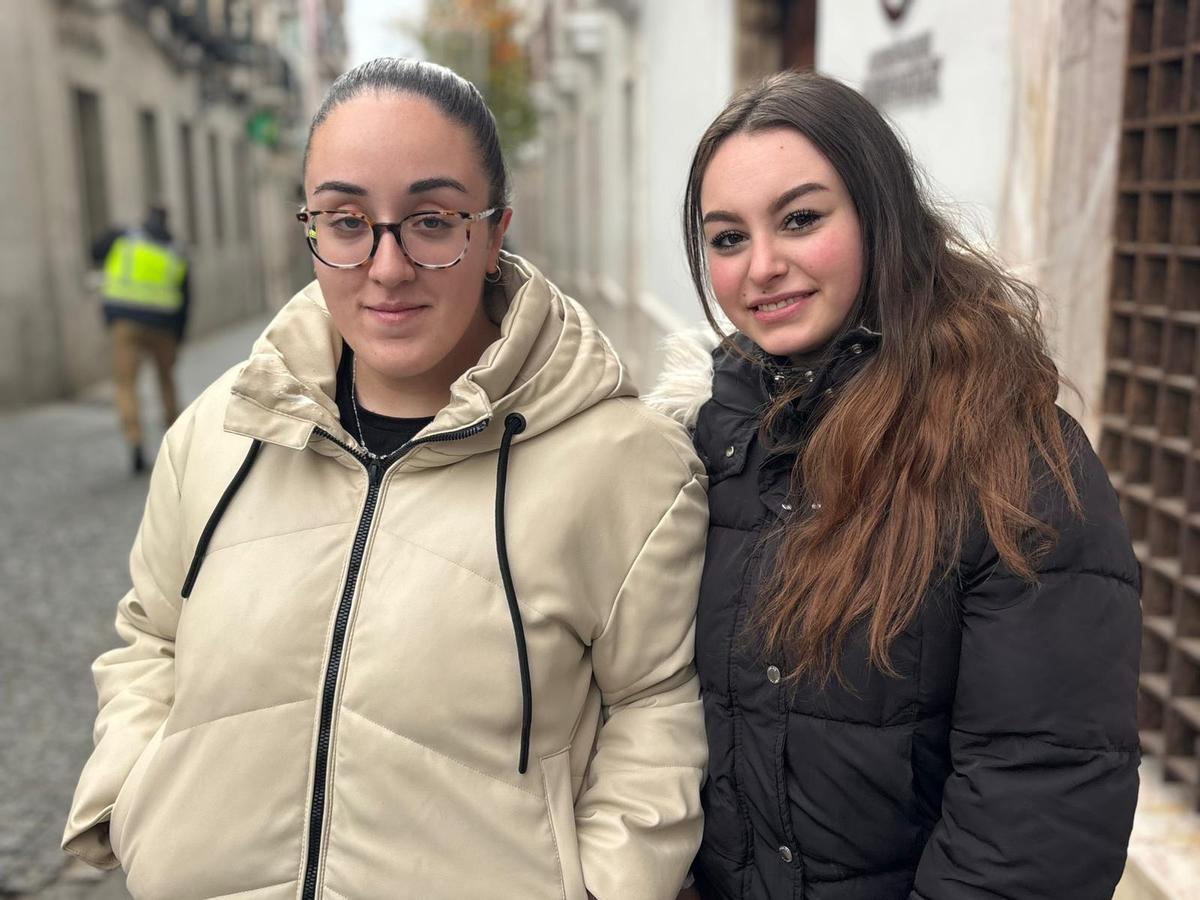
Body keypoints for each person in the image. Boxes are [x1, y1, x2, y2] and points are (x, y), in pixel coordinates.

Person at [63, 58, 707, 900]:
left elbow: (656, 705)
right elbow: (150, 637)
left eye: (433, 221)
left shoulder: (627, 464)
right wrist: (133, 794)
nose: (387, 265)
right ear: (312, 229)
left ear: (494, 232)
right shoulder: (215, 433)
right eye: (346, 220)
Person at [650, 71, 1141, 900]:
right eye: (727, 238)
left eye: (801, 219)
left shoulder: (1010, 457)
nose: (762, 267)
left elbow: (1041, 799)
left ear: (880, 216)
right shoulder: (705, 445)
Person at [93, 203, 190, 474]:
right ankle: (177, 441)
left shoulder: (125, 238)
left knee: (126, 384)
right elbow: (185, 301)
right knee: (167, 382)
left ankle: (134, 439)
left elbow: (95, 251)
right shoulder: (176, 250)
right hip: (163, 326)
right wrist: (179, 337)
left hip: (126, 323)